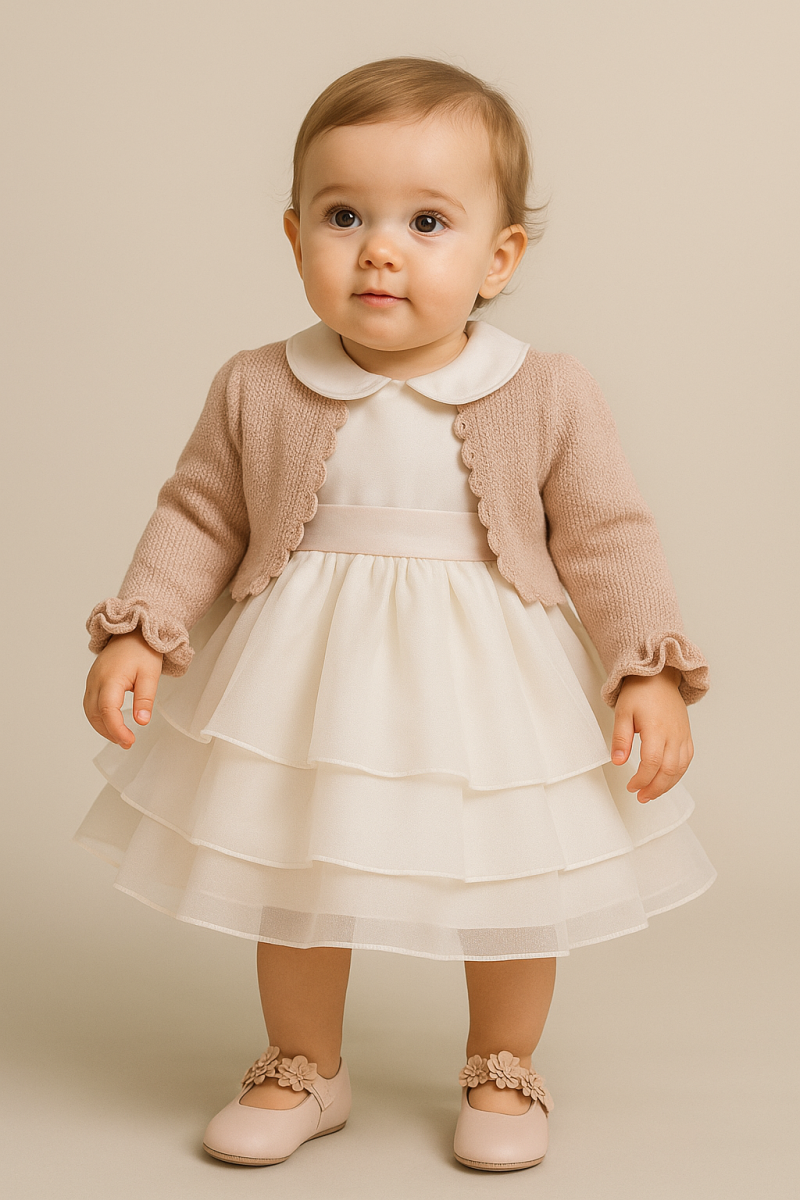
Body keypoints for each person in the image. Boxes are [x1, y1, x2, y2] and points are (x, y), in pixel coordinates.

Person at [78, 56, 715, 1173]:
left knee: (509, 873)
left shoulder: (543, 389)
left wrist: (645, 666)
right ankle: (303, 1064)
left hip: (492, 676)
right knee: (295, 872)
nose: (379, 249)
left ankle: (504, 1065)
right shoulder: (258, 384)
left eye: (427, 222)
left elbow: (606, 535)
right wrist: (143, 625)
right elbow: (200, 512)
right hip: (305, 681)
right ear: (294, 239)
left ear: (498, 258)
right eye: (343, 217)